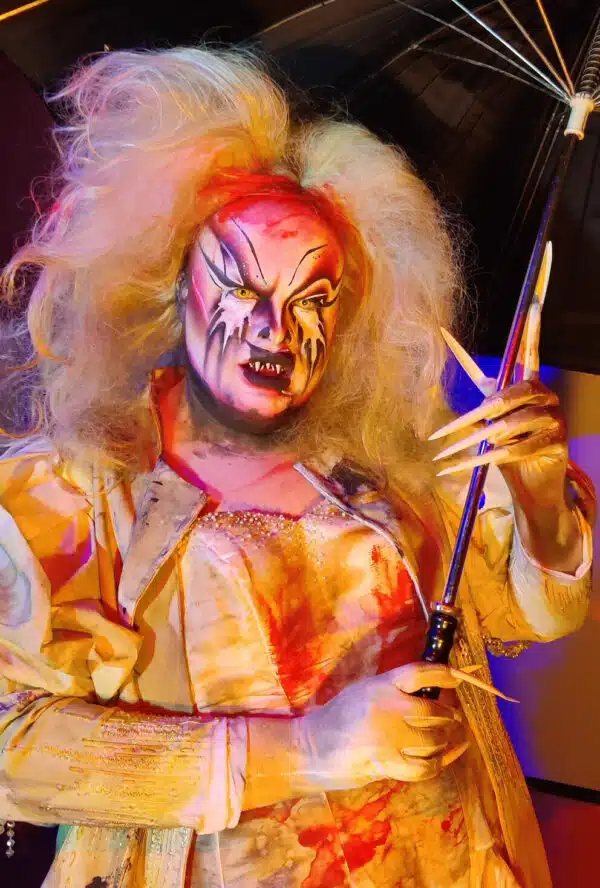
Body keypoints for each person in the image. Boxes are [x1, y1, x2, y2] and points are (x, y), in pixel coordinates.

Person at [0, 46, 594, 888]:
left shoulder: (390, 459)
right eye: (241, 287)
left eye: (313, 297)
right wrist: (310, 748)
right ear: (171, 284)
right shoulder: (77, 490)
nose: (274, 330)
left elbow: (528, 616)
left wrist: (538, 498)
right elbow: (13, 746)